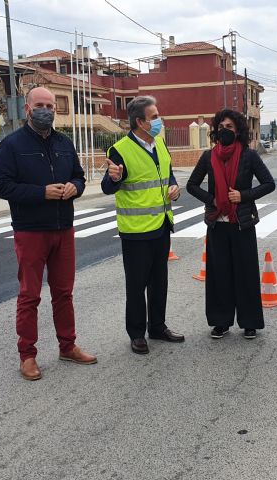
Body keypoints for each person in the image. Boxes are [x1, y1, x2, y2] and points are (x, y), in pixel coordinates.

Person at [0, 86, 97, 381]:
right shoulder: (11, 145)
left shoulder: (64, 143)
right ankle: (28, 355)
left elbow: (79, 175)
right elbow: (0, 186)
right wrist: (41, 193)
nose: (46, 110)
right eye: (40, 105)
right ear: (27, 108)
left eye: (50, 106)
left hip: (64, 228)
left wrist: (75, 187)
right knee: (29, 296)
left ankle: (68, 345)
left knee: (64, 293)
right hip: (30, 231)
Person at [101, 95, 185, 355]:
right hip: (136, 231)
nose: (160, 121)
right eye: (154, 117)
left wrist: (174, 187)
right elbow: (108, 186)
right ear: (140, 122)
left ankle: (157, 327)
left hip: (161, 225)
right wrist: (113, 178)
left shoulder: (160, 144)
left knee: (160, 281)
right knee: (136, 285)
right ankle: (137, 333)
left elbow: (167, 174)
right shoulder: (120, 150)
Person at [187, 109, 275, 339]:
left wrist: (244, 195)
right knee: (219, 275)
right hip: (217, 223)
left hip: (242, 223)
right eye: (221, 127)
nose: (224, 131)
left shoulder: (249, 155)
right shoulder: (208, 156)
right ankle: (220, 322)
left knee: (245, 274)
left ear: (238, 131)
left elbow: (268, 183)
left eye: (229, 127)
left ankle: (249, 322)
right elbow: (192, 185)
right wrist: (212, 199)